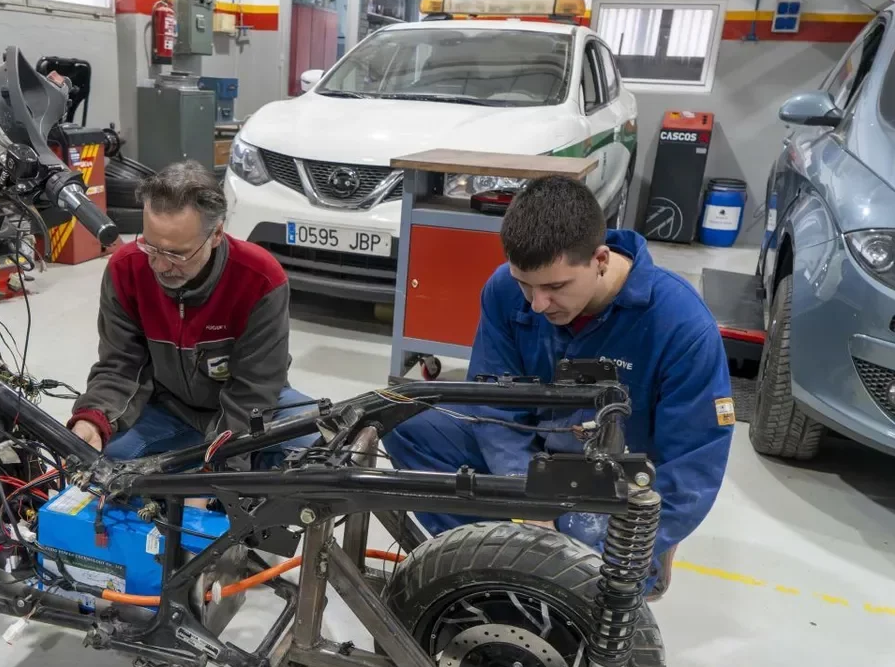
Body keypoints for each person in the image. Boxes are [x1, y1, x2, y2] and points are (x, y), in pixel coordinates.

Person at [382, 175, 733, 599]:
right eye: (524, 283)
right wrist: (531, 501)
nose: (536, 304)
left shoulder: (680, 325)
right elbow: (492, 407)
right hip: (534, 462)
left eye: (555, 287)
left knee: (585, 569)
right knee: (405, 423)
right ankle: (484, 567)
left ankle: (631, 559)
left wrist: (628, 539)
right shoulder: (503, 291)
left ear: (600, 259)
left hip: (613, 485)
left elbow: (693, 466)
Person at [68, 160, 316, 468]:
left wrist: (216, 469)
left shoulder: (260, 278)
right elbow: (121, 367)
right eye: (151, 246)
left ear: (215, 234)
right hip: (168, 408)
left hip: (252, 407)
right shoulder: (126, 269)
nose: (159, 265)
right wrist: (94, 420)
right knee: (102, 462)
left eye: (176, 254)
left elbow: (255, 389)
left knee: (317, 454)